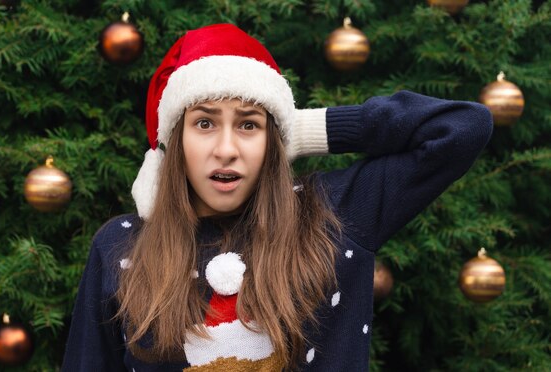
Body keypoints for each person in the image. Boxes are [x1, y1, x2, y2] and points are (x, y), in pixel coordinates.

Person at [62, 23, 493, 371]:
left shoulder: (334, 213)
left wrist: (303, 128)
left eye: (249, 124)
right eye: (204, 124)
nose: (226, 148)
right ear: (175, 141)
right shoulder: (122, 246)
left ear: (274, 141)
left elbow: (462, 128)